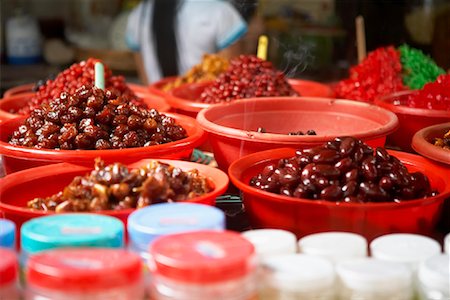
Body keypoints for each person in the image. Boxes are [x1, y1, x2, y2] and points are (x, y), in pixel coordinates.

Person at [126, 0, 248, 84]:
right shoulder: (220, 11)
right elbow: (233, 76)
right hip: (203, 110)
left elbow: (145, 77)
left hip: (157, 111)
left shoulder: (137, 15)